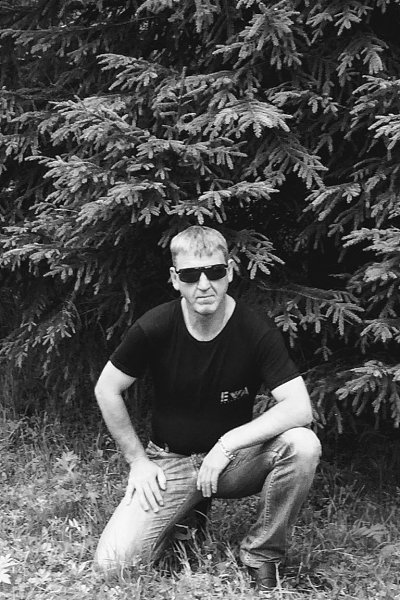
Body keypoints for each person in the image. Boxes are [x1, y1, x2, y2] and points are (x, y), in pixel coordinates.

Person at [94, 225, 321, 590]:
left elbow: (299, 408)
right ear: (175, 279)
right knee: (112, 565)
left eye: (214, 272)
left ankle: (262, 555)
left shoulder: (255, 329)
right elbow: (107, 388)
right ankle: (187, 517)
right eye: (190, 275)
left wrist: (227, 444)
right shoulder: (155, 326)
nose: (204, 285)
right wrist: (137, 461)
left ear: (229, 271)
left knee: (303, 444)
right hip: (171, 463)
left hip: (233, 463)